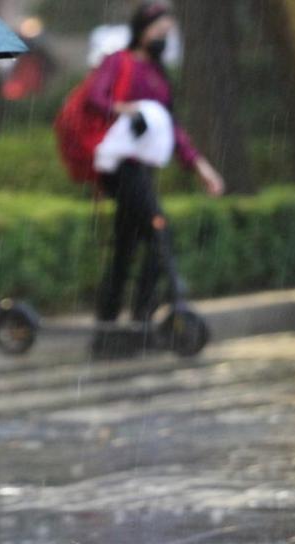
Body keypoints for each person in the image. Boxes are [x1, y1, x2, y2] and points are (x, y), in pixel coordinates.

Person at [88, 1, 224, 334]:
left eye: (167, 32)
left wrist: (201, 167)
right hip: (121, 166)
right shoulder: (120, 62)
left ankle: (109, 319)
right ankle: (142, 313)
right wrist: (125, 109)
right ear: (141, 30)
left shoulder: (159, 74)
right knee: (160, 229)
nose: (162, 37)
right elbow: (95, 97)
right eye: (157, 31)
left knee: (127, 243)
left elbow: (171, 127)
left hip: (144, 168)